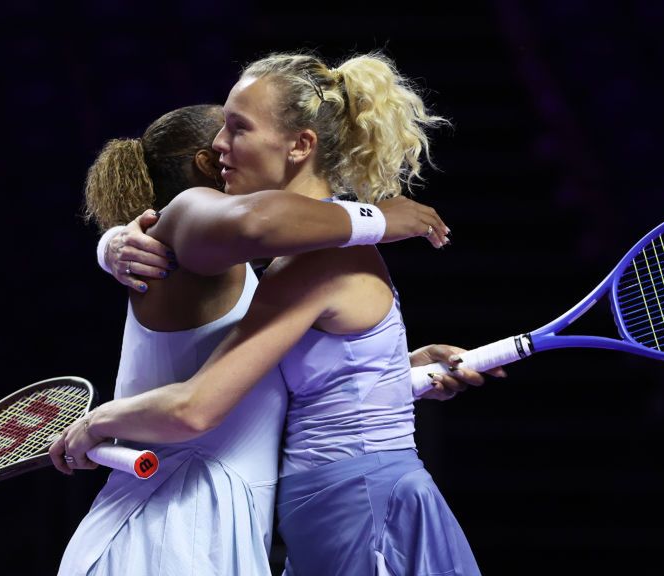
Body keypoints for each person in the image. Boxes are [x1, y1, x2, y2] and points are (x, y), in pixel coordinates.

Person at [56, 52, 488, 575]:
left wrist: (397, 371)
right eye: (223, 130)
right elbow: (202, 405)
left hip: (280, 516)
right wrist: (377, 217)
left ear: (300, 144)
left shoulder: (291, 262)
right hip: (177, 529)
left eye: (239, 128)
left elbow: (296, 399)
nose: (222, 147)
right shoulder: (208, 225)